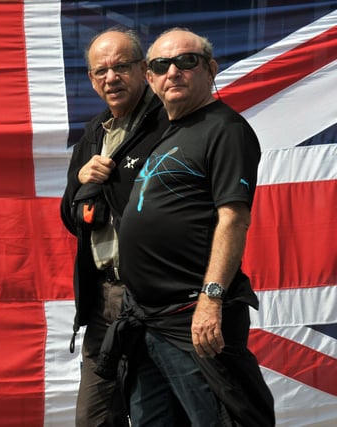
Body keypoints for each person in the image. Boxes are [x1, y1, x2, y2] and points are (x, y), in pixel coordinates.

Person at [111, 28, 275, 426]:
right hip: (146, 319)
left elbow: (233, 218)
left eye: (186, 62)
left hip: (193, 319)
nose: (173, 72)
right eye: (160, 65)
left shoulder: (224, 129)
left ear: (210, 69)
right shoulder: (165, 133)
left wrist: (212, 298)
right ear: (149, 78)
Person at [60, 27, 169, 426]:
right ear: (91, 79)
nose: (111, 77)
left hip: (159, 299)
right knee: (94, 417)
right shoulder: (92, 134)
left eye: (121, 67)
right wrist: (81, 184)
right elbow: (72, 220)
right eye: (101, 70)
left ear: (143, 70)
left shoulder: (169, 124)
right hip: (105, 296)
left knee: (156, 414)